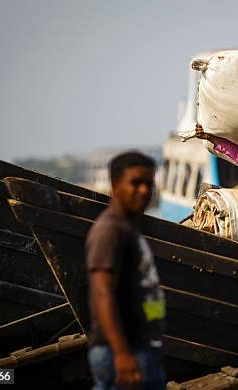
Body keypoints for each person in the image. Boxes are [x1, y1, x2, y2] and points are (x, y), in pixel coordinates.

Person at [85, 151, 166, 390]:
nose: (144, 190)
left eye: (148, 183)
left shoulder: (128, 229)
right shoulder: (109, 231)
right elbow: (102, 293)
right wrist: (121, 354)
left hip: (141, 347)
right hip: (121, 351)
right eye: (135, 183)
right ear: (114, 185)